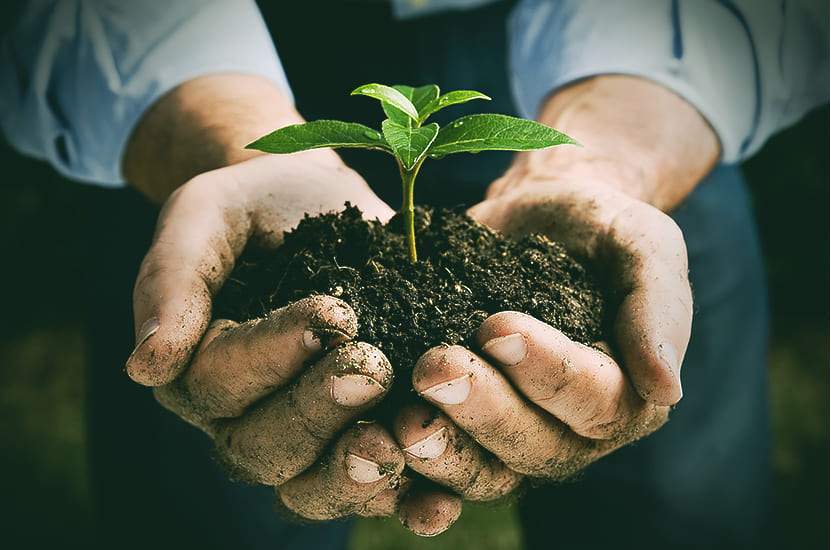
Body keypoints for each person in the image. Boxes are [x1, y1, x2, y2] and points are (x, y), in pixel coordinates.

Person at [1, 0, 827, 548]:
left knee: (674, 511)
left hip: (630, 87)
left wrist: (601, 165)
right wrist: (222, 142)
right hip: (205, 70)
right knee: (210, 510)